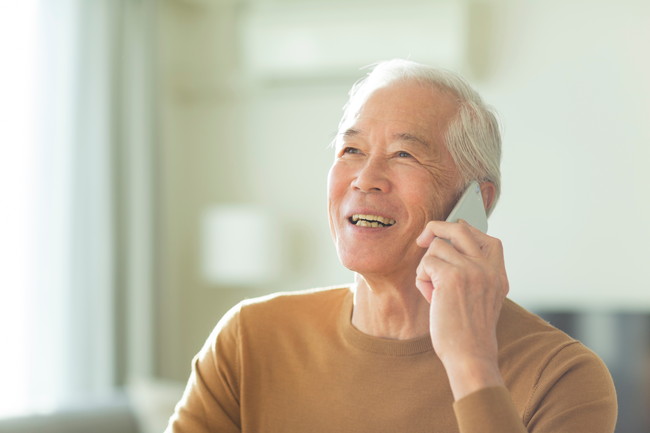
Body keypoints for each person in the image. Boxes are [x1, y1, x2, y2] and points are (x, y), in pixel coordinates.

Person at [165, 59, 617, 433]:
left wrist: (471, 364)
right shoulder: (249, 338)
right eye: (351, 151)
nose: (364, 179)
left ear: (475, 202)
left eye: (404, 155)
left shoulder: (562, 376)